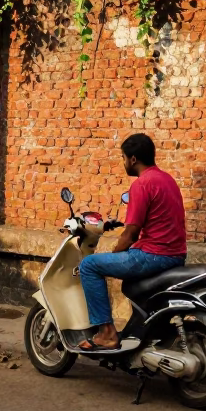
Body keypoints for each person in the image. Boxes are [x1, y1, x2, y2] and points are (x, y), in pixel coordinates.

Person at [76, 134, 187, 351]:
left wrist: (115, 253)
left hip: (154, 256)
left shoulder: (142, 184)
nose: (124, 162)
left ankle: (107, 333)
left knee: (89, 265)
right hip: (176, 255)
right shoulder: (167, 179)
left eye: (123, 158)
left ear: (133, 159)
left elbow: (131, 234)